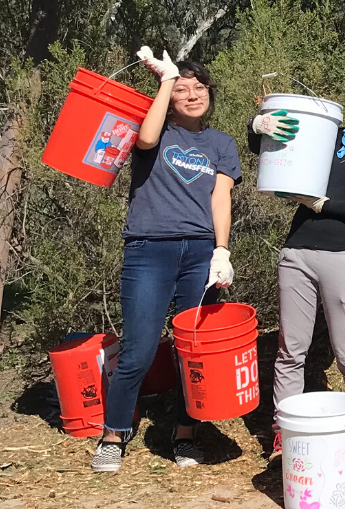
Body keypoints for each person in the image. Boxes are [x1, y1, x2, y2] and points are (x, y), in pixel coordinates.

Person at [94, 47, 241, 472]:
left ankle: (185, 434)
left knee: (192, 352)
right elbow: (144, 139)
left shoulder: (221, 143)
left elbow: (221, 197)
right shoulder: (155, 130)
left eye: (199, 88)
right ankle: (114, 433)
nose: (193, 95)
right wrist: (164, 80)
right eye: (183, 89)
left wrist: (222, 250)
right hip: (148, 250)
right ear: (169, 97)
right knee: (138, 350)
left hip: (200, 253)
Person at [249, 75, 345, 466]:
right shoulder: (329, 134)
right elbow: (270, 150)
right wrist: (258, 127)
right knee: (291, 351)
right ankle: (284, 433)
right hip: (298, 251)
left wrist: (323, 203)